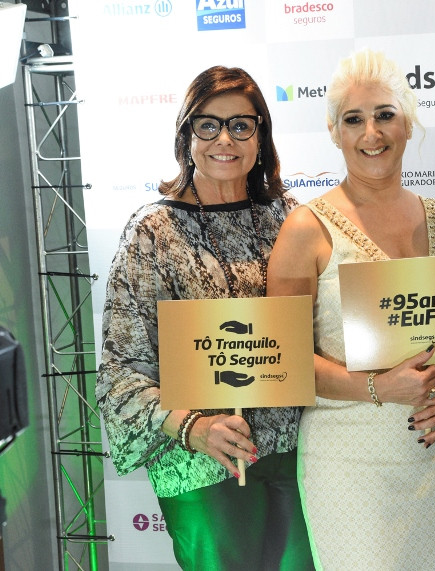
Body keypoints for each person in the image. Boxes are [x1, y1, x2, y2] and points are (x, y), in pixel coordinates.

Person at [95, 66, 313, 570]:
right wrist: (194, 426)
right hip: (199, 464)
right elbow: (119, 374)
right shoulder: (152, 232)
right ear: (186, 134)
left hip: (297, 455)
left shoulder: (290, 219)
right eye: (208, 125)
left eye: (241, 125)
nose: (225, 139)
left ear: (261, 135)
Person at [267, 49, 435, 570]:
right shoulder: (305, 228)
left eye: (384, 115)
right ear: (333, 132)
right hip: (347, 461)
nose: (371, 133)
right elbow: (282, 361)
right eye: (353, 120)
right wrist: (378, 387)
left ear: (408, 124)